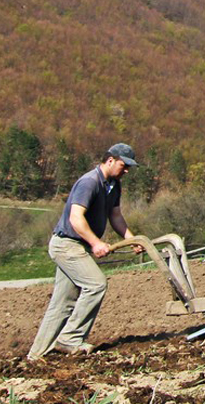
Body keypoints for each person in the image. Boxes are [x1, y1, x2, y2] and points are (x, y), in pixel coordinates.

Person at [28, 143, 141, 359]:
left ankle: (37, 355)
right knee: (96, 284)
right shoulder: (89, 182)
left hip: (76, 246)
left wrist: (132, 239)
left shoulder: (113, 186)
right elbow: (76, 218)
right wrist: (96, 243)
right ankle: (70, 338)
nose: (126, 171)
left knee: (63, 302)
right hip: (67, 244)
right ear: (110, 160)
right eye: (123, 165)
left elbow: (115, 216)